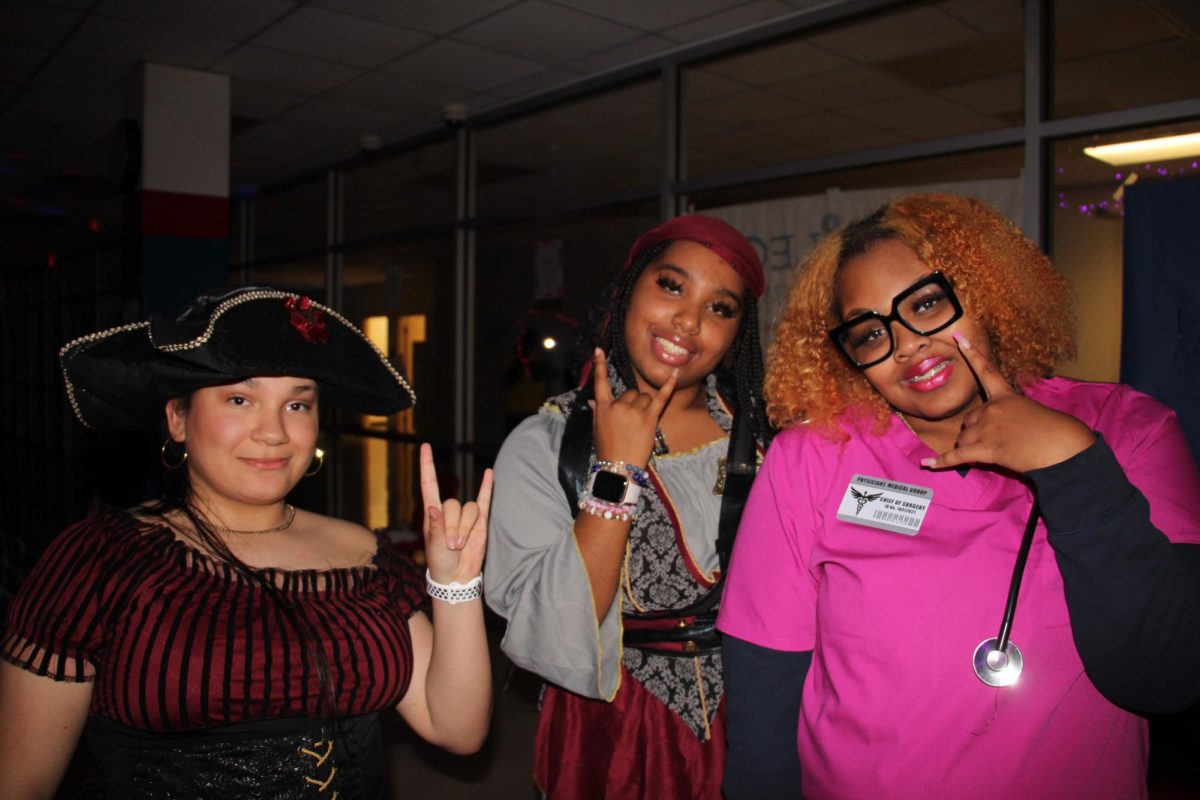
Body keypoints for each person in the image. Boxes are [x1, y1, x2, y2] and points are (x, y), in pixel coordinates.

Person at [717, 193, 1200, 799]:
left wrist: (1071, 466)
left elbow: (1166, 676)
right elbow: (764, 701)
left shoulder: (1129, 430)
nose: (907, 345)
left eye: (925, 303)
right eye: (870, 334)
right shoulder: (813, 459)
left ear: (986, 289)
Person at [0, 287, 494, 799]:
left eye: (297, 404)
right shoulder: (102, 559)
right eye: (240, 399)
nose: (275, 432)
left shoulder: (362, 556)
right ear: (177, 418)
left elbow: (455, 729)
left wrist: (454, 585)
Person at [484, 215, 773, 798]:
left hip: (755, 715)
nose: (689, 321)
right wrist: (617, 472)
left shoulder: (769, 441)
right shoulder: (548, 442)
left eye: (721, 308)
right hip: (616, 729)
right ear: (628, 291)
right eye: (672, 286)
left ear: (737, 335)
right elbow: (553, 631)